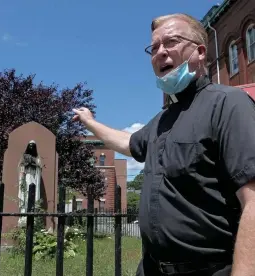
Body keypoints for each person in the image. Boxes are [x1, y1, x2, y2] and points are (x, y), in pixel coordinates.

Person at [73, 13, 255, 276]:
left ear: (200, 51)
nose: (160, 52)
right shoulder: (162, 120)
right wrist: (90, 122)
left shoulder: (228, 104)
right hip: (151, 268)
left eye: (171, 42)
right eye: (154, 47)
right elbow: (129, 143)